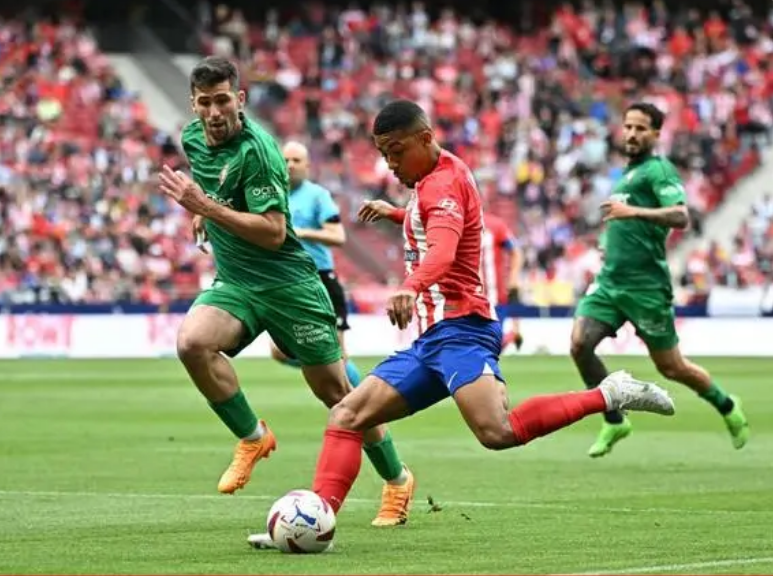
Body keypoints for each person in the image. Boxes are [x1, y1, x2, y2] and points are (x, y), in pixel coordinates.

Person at [250, 99, 675, 532]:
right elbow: (430, 223)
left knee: (497, 432)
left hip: (463, 330)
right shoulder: (435, 175)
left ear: (425, 139)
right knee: (347, 415)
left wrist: (410, 287)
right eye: (384, 155)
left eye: (397, 151)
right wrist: (396, 213)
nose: (391, 164)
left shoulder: (442, 185)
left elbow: (443, 250)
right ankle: (313, 521)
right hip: (432, 339)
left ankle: (609, 393)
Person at [156, 56, 414, 526]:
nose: (213, 114)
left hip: (289, 286)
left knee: (339, 396)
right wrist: (203, 210)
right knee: (192, 343)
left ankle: (397, 481)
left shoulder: (261, 151)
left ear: (240, 99)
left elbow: (275, 232)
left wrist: (205, 207)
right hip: (237, 282)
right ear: (193, 106)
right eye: (203, 104)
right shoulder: (193, 139)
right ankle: (253, 436)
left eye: (221, 102)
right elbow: (218, 190)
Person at [570, 102, 750, 458]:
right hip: (610, 284)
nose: (632, 134)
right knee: (579, 345)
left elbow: (682, 216)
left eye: (641, 128)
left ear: (655, 134)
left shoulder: (659, 171)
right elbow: (626, 225)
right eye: (628, 126)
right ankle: (615, 418)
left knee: (672, 367)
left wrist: (631, 211)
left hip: (646, 288)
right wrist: (610, 243)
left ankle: (727, 405)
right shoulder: (627, 174)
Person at [268, 141, 364, 392]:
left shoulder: (318, 195)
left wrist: (300, 232)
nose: (289, 165)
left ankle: (365, 399)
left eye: (296, 161)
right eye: (286, 160)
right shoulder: (271, 194)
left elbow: (338, 236)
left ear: (308, 166)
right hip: (288, 281)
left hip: (320, 278)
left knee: (340, 356)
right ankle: (327, 370)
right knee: (278, 351)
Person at [482, 211, 524, 351]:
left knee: (491, 346)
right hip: (468, 296)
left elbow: (516, 251)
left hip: (495, 297)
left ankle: (510, 336)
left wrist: (513, 276)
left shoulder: (495, 225)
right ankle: (511, 335)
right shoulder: (456, 222)